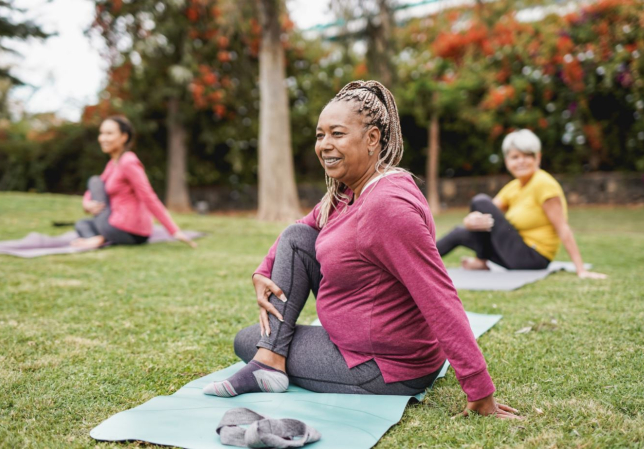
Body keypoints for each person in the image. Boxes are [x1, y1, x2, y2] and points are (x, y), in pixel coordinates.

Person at [203, 81, 520, 419]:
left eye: (337, 134)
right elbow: (302, 228)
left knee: (246, 339)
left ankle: (268, 360)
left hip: (384, 366)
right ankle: (270, 360)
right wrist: (262, 271)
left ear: (372, 139)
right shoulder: (348, 192)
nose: (325, 145)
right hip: (360, 345)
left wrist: (480, 391)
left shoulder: (387, 206)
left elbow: (439, 296)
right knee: (297, 238)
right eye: (319, 135)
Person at [436, 129, 606, 279]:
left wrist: (581, 270)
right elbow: (486, 212)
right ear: (507, 161)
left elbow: (562, 227)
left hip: (533, 257)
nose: (521, 161)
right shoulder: (514, 187)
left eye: (527, 156)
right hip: (513, 252)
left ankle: (481, 261)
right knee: (460, 232)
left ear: (538, 157)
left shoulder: (544, 184)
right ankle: (416, 266)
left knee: (480, 200)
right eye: (515, 157)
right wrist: (470, 221)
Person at [72, 116, 196, 249]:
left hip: (129, 229)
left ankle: (101, 238)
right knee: (82, 224)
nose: (102, 138)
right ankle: (99, 239)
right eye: (101, 133)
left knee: (94, 180)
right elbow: (93, 190)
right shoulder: (112, 164)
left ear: (124, 137)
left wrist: (174, 230)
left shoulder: (128, 161)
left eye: (109, 133)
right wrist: (86, 203)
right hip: (114, 224)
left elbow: (148, 196)